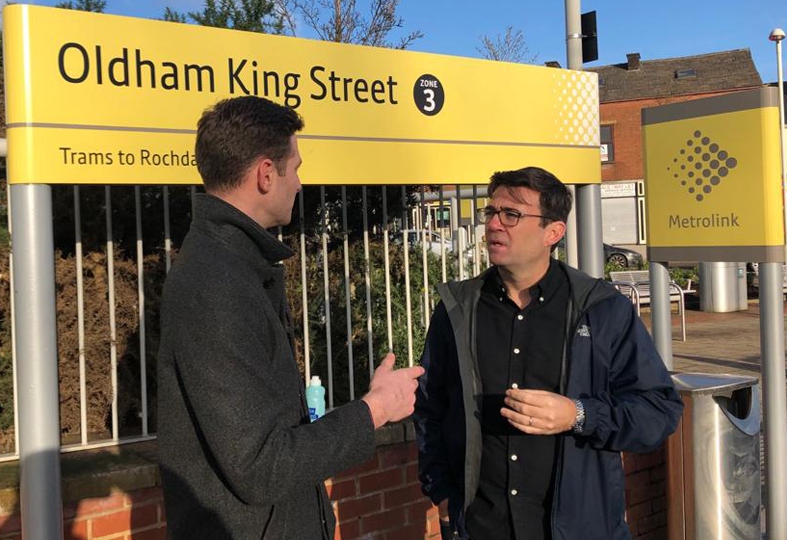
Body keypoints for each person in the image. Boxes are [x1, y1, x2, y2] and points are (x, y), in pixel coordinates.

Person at [158, 95, 424, 539]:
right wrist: (375, 409)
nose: (299, 182)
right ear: (266, 174)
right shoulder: (215, 282)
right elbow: (261, 466)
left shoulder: (234, 265)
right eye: (295, 167)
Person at [413, 166, 683, 540]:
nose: (493, 225)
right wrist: (441, 490)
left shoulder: (602, 309)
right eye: (491, 213)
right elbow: (430, 406)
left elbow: (658, 411)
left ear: (553, 232)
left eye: (511, 215)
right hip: (481, 527)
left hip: (579, 528)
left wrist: (579, 415)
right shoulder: (458, 309)